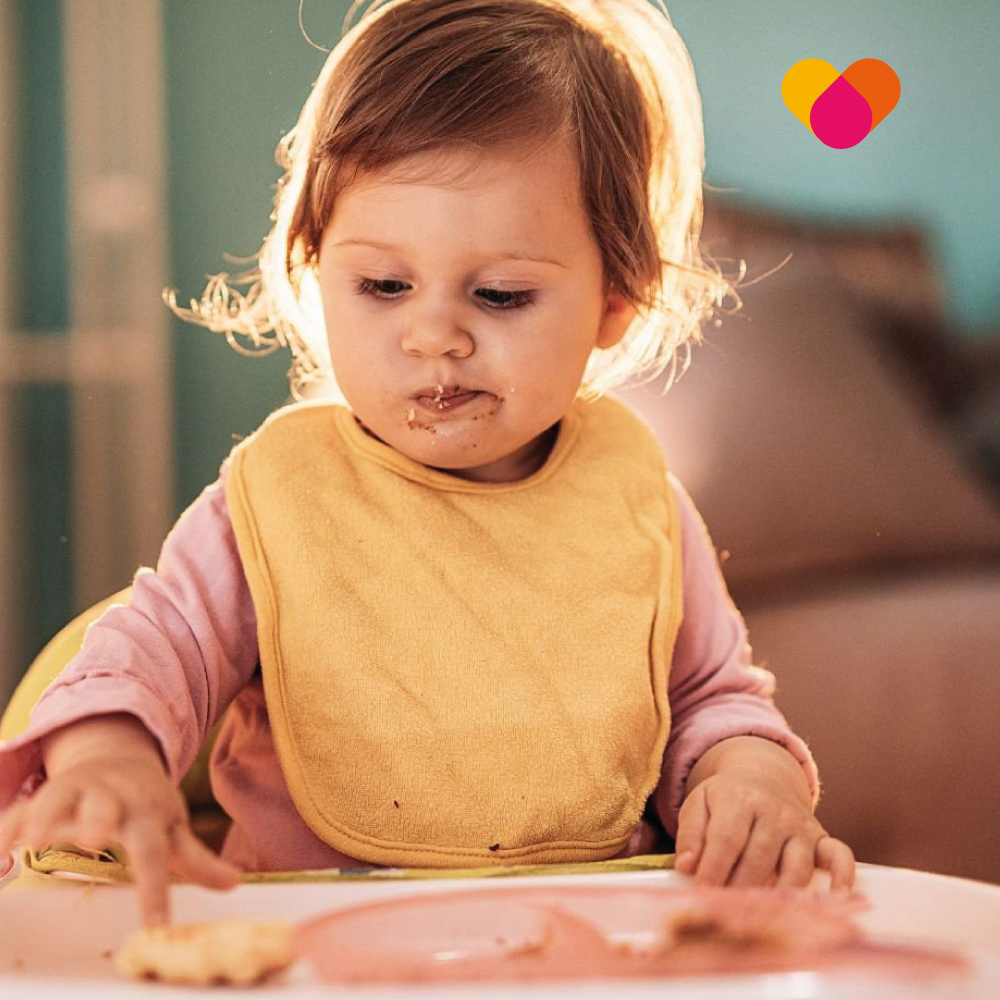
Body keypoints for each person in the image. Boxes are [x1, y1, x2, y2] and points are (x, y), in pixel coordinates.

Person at [0, 0, 855, 927]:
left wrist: (751, 776)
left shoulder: (634, 497)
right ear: (313, 266)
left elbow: (708, 697)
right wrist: (107, 758)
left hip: (598, 942)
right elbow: (156, 650)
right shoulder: (282, 500)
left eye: (499, 293)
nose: (434, 335)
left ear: (617, 297)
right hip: (305, 948)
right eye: (383, 285)